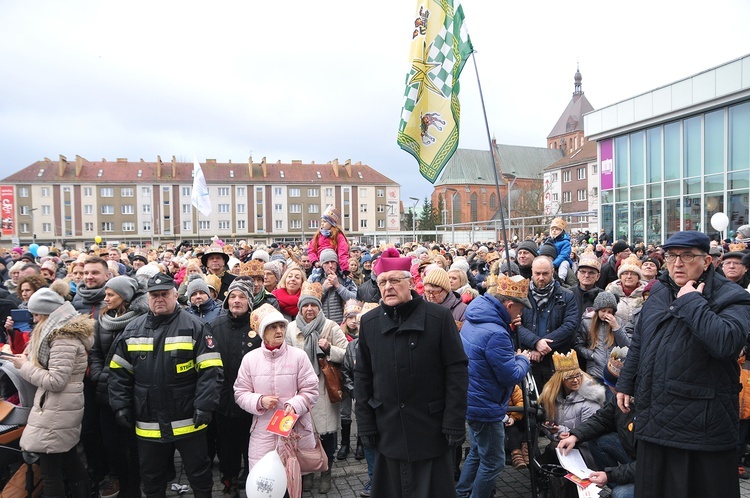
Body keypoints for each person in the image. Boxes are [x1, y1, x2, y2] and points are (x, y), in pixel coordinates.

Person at [616, 231, 750, 498]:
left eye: (687, 256)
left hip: (701, 425)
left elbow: (725, 343)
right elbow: (641, 341)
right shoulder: (661, 291)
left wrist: (691, 301)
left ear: (707, 261)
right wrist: (626, 381)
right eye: (671, 256)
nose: (677, 263)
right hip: (656, 419)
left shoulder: (732, 296)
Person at [355, 248, 468, 498]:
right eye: (383, 281)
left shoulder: (438, 318)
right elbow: (362, 377)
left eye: (395, 280)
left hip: (431, 431)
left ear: (410, 282)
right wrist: (365, 424)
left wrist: (454, 420)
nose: (388, 287)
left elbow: (456, 372)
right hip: (389, 431)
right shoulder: (370, 322)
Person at [108, 272, 223, 498]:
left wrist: (204, 406)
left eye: (164, 294)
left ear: (174, 295)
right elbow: (118, 373)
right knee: (151, 478)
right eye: (154, 295)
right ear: (148, 298)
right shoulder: (132, 330)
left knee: (200, 475)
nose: (159, 299)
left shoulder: (194, 327)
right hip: (148, 421)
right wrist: (120, 406)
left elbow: (212, 371)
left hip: (189, 419)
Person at [9, 288, 94, 498]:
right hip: (60, 406)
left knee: (51, 473)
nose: (34, 320)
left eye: (36, 315)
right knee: (69, 462)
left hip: (57, 407)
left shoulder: (62, 337)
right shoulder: (58, 333)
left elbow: (55, 381)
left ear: (47, 314)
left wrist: (23, 366)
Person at [455, 274, 532, 498]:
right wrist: (523, 359)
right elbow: (510, 375)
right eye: (519, 309)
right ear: (509, 305)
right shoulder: (496, 333)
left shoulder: (476, 317)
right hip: (486, 405)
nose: (520, 314)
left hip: (473, 397)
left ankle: (462, 493)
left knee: (478, 452)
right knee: (494, 463)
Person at [234, 303, 319, 498]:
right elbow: (240, 392)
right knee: (266, 486)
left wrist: (294, 404)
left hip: (294, 431)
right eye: (272, 327)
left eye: (281, 325)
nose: (279, 330)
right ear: (262, 332)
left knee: (291, 484)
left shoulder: (299, 356)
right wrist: (259, 401)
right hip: (263, 433)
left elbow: (311, 389)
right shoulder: (250, 359)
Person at [285, 282, 348, 493]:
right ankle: (308, 471)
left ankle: (326, 471)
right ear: (300, 308)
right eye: (305, 306)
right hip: (299, 390)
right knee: (303, 434)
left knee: (326, 435)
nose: (309, 309)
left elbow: (348, 353)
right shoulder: (292, 329)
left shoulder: (330, 326)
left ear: (319, 308)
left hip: (323, 389)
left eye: (313, 306)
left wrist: (329, 348)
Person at [90, 275, 147, 498]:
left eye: (111, 294)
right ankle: (123, 480)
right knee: (111, 444)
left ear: (124, 295)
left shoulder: (141, 319)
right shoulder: (103, 318)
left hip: (131, 392)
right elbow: (95, 352)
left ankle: (133, 486)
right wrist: (97, 375)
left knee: (131, 445)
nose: (106, 298)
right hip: (105, 391)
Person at [558, 348, 636, 498]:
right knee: (599, 440)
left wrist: (609, 475)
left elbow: (650, 463)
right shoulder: (618, 399)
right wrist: (575, 435)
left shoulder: (645, 407)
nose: (608, 388)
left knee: (620, 494)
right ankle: (617, 486)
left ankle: (618, 488)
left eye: (610, 385)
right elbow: (602, 419)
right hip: (634, 457)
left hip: (653, 470)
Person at [210, 278, 260, 498]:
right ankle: (229, 483)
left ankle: (254, 485)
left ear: (249, 301)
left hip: (253, 403)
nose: (237, 301)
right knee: (227, 450)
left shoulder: (259, 326)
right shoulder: (214, 326)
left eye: (242, 297)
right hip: (224, 403)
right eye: (233, 296)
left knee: (252, 450)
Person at [517, 257, 579, 390]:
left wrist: (542, 347)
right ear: (532, 272)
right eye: (537, 273)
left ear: (553, 272)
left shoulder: (567, 296)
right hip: (528, 358)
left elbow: (570, 325)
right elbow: (515, 325)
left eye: (545, 274)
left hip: (557, 361)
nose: (540, 278)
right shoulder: (521, 295)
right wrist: (535, 342)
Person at [538, 351, 605, 446]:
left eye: (578, 375)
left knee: (552, 448)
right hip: (563, 445)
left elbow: (589, 435)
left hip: (584, 448)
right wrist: (556, 433)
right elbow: (547, 426)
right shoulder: (553, 399)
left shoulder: (590, 402)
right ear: (561, 380)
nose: (575, 380)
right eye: (570, 377)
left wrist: (562, 431)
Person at [574, 292, 630, 385]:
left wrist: (616, 327)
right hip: (594, 372)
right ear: (597, 310)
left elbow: (626, 345)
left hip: (613, 372)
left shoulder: (618, 322)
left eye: (609, 312)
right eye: (603, 311)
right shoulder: (587, 322)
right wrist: (591, 355)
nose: (606, 314)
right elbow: (578, 345)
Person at [308, 248, 357, 325]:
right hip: (319, 325)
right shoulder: (314, 278)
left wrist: (338, 286)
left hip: (341, 325)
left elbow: (355, 299)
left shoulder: (345, 278)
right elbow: (308, 301)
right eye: (326, 263)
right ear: (322, 264)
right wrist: (323, 289)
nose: (330, 266)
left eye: (333, 262)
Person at [605, 256, 648, 335]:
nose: (629, 277)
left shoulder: (646, 294)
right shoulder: (609, 292)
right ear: (620, 276)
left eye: (633, 274)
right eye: (625, 273)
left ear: (638, 277)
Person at [308, 205, 350, 272]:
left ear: (331, 223)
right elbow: (311, 250)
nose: (322, 224)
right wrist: (315, 261)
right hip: (320, 266)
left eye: (325, 222)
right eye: (321, 221)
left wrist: (345, 269)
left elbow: (343, 252)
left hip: (334, 266)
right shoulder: (318, 236)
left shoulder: (338, 236)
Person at [548, 218, 575, 282]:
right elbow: (542, 249)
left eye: (557, 229)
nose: (554, 231)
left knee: (564, 264)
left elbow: (564, 255)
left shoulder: (566, 242)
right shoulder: (549, 240)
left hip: (561, 262)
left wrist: (553, 264)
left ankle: (561, 279)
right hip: (551, 261)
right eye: (552, 229)